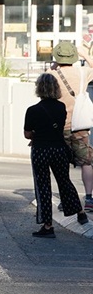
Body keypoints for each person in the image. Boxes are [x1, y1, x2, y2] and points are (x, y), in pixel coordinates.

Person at [24, 73, 89, 237]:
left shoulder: (32, 110)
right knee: (64, 181)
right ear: (56, 88)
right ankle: (80, 212)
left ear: (39, 88)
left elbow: (27, 134)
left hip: (40, 150)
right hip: (59, 149)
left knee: (43, 186)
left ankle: (47, 226)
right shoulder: (61, 108)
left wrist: (36, 134)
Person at [49, 41, 93, 213]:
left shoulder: (52, 74)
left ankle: (66, 198)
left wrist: (54, 67)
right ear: (74, 56)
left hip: (59, 126)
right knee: (86, 162)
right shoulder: (83, 73)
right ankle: (89, 198)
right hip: (80, 126)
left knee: (62, 164)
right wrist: (86, 55)